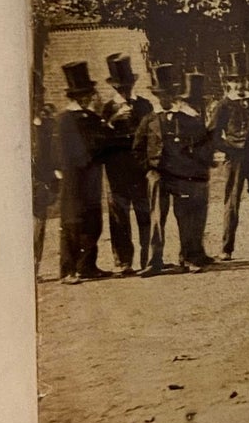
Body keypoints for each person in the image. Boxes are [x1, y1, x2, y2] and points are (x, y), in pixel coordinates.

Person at [140, 66, 217, 274]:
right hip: (157, 175)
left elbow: (202, 140)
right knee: (156, 218)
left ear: (173, 95)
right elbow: (137, 148)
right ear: (156, 96)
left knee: (185, 216)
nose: (164, 99)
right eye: (159, 95)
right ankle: (154, 261)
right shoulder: (149, 120)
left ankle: (188, 257)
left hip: (180, 176)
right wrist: (148, 170)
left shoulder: (186, 119)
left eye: (167, 95)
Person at [208, 48, 249, 261]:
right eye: (235, 81)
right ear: (229, 82)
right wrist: (229, 148)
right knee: (232, 202)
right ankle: (227, 248)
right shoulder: (223, 105)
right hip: (234, 159)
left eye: (243, 80)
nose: (240, 85)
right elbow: (212, 135)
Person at [54, 60, 113, 283]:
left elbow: (104, 143)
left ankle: (87, 265)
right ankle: (68, 269)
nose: (89, 97)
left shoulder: (94, 118)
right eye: (85, 94)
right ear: (76, 97)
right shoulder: (63, 120)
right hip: (73, 176)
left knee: (93, 219)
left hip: (92, 175)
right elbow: (65, 151)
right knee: (72, 221)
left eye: (89, 93)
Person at [101, 52, 153, 274]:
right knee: (119, 216)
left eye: (128, 86)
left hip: (139, 168)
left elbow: (153, 133)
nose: (125, 90)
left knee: (144, 212)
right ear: (115, 88)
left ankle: (148, 259)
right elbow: (99, 139)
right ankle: (123, 262)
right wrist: (113, 122)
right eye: (120, 88)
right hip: (117, 170)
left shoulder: (144, 105)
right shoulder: (108, 109)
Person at [31, 74, 57, 273]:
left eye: (38, 96)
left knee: (39, 224)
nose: (35, 100)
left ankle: (35, 267)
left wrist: (52, 181)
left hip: (40, 181)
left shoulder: (47, 125)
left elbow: (51, 154)